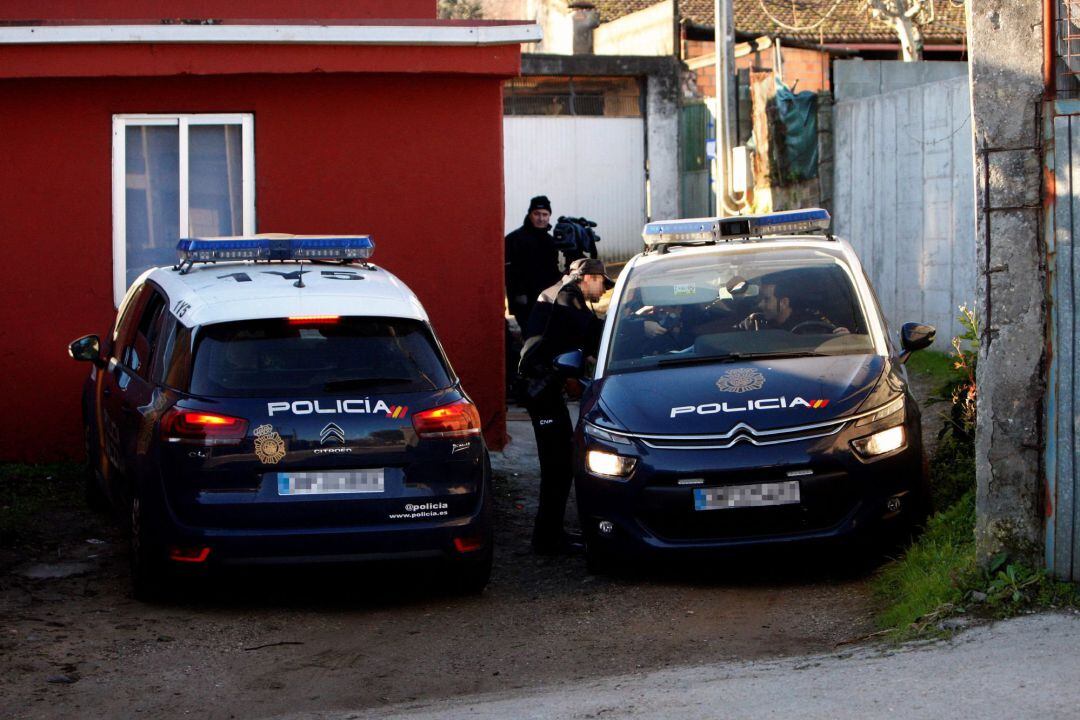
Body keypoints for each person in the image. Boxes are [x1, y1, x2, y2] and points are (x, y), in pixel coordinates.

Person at [518, 257, 614, 555]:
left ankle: (550, 534)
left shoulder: (559, 291)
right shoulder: (567, 295)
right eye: (602, 282)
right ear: (588, 277)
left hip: (543, 388)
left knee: (559, 464)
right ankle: (547, 540)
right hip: (541, 389)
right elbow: (590, 331)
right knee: (558, 466)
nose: (603, 289)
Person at [505, 195, 563, 333]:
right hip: (524, 302)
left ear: (549, 216)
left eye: (545, 214)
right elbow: (508, 272)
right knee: (532, 338)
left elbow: (553, 270)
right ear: (530, 214)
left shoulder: (550, 241)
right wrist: (519, 294)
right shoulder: (513, 239)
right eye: (537, 214)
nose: (541, 218)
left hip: (547, 299)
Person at [737, 277, 849, 334]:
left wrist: (844, 338)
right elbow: (729, 336)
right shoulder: (754, 322)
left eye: (766, 299)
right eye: (760, 299)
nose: (760, 304)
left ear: (784, 302)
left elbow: (836, 340)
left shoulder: (813, 323)